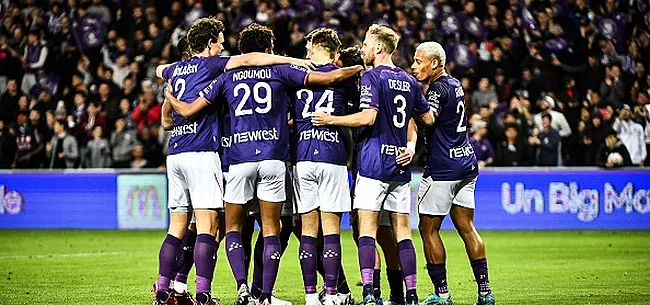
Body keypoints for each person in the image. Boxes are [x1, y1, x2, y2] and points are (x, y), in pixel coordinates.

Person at [164, 22, 362, 305]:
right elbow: (325, 80)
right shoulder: (281, 72)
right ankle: (266, 296)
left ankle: (227, 288)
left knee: (226, 229)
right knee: (273, 229)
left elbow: (181, 112)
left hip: (234, 159)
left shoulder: (224, 75)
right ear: (269, 50)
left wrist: (169, 96)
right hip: (275, 158)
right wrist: (358, 68)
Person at [312, 24, 434, 305]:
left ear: (379, 47)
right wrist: (411, 144)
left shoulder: (372, 77)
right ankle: (411, 295)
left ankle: (369, 293)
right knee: (402, 231)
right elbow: (425, 119)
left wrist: (331, 120)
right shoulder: (409, 81)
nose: (363, 48)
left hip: (372, 163)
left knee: (366, 231)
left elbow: (367, 117)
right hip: (400, 167)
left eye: (366, 44)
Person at [410, 41, 494, 305]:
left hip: (444, 168)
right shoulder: (456, 84)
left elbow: (429, 118)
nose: (414, 66)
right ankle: (485, 292)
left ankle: (442, 294)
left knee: (428, 229)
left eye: (418, 61)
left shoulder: (436, 88)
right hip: (466, 164)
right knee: (468, 228)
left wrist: (410, 104)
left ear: (435, 63)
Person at [291, 28, 359, 305]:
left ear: (321, 47)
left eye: (310, 48)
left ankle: (310, 296)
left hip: (303, 157)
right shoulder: (344, 82)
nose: (306, 53)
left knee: (308, 230)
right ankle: (332, 294)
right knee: (331, 231)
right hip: (332, 157)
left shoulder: (298, 77)